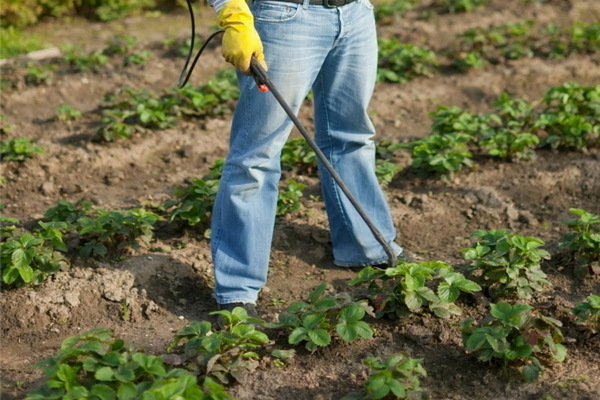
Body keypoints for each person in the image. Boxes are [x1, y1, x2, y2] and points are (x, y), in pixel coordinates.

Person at [207, 0, 409, 316]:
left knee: (351, 138)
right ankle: (237, 290)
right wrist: (233, 16)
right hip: (285, 17)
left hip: (355, 14)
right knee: (256, 159)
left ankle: (367, 248)